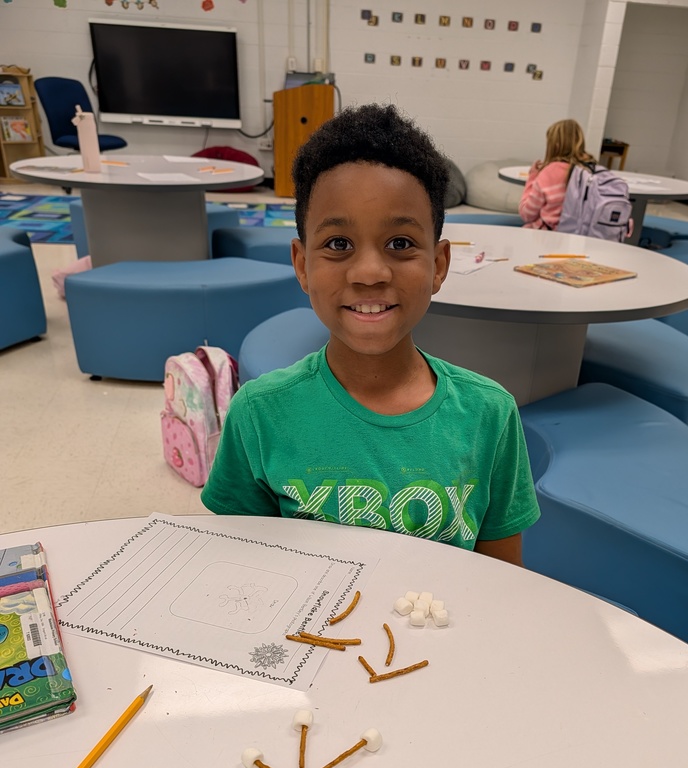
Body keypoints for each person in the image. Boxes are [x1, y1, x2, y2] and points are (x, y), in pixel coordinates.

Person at [201, 103, 540, 566]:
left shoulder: (489, 415)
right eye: (338, 244)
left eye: (400, 244)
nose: (369, 272)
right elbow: (238, 567)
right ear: (302, 264)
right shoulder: (259, 414)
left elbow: (504, 581)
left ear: (438, 265)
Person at [519, 118, 595, 230]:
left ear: (556, 145)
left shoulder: (550, 172)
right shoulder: (591, 169)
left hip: (549, 238)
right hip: (581, 237)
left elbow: (527, 214)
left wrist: (533, 176)